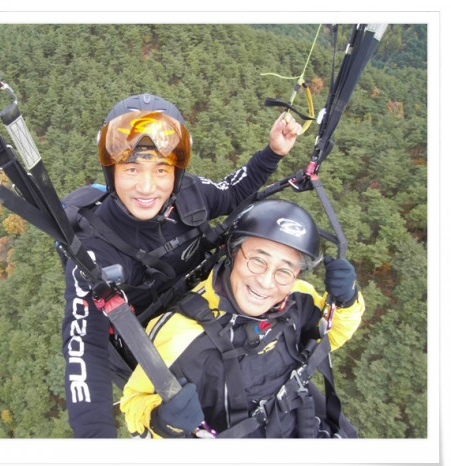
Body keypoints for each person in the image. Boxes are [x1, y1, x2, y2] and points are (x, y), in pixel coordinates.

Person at [61, 93, 303, 438]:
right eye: (131, 169)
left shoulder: (191, 194)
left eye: (161, 170)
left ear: (176, 173)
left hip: (207, 316)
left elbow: (233, 192)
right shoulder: (95, 248)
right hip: (157, 349)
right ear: (112, 173)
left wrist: (273, 152)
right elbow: (84, 347)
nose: (147, 187)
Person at [120, 199, 365, 438]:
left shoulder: (298, 297)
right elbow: (134, 403)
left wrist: (347, 301)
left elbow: (331, 335)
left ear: (296, 274)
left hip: (309, 427)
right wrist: (161, 422)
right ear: (234, 252)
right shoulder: (179, 333)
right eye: (258, 260)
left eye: (284, 270)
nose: (266, 282)